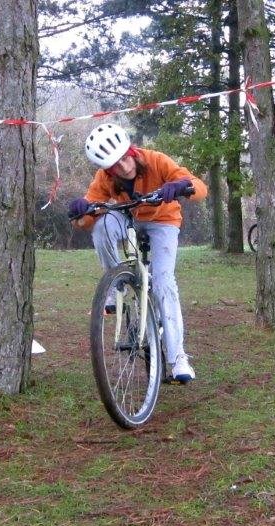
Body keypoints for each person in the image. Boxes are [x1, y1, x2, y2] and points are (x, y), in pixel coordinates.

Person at [68, 123, 208, 383]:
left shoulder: (156, 160)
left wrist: (180, 187)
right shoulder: (105, 178)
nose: (123, 167)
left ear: (131, 150)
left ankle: (178, 357)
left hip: (163, 220)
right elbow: (89, 217)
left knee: (164, 283)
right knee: (102, 227)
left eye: (124, 158)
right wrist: (81, 211)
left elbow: (198, 187)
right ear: (108, 170)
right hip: (128, 216)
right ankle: (117, 282)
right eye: (114, 165)